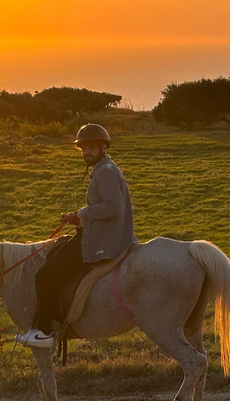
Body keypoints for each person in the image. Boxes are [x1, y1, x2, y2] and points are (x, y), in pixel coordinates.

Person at [18, 123, 140, 348]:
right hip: (98, 234)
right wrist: (76, 218)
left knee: (44, 276)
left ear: (103, 147)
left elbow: (114, 206)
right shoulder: (104, 169)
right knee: (54, 255)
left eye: (92, 148)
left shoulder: (106, 172)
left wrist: (83, 213)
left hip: (103, 242)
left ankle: (44, 332)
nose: (87, 153)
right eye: (83, 149)